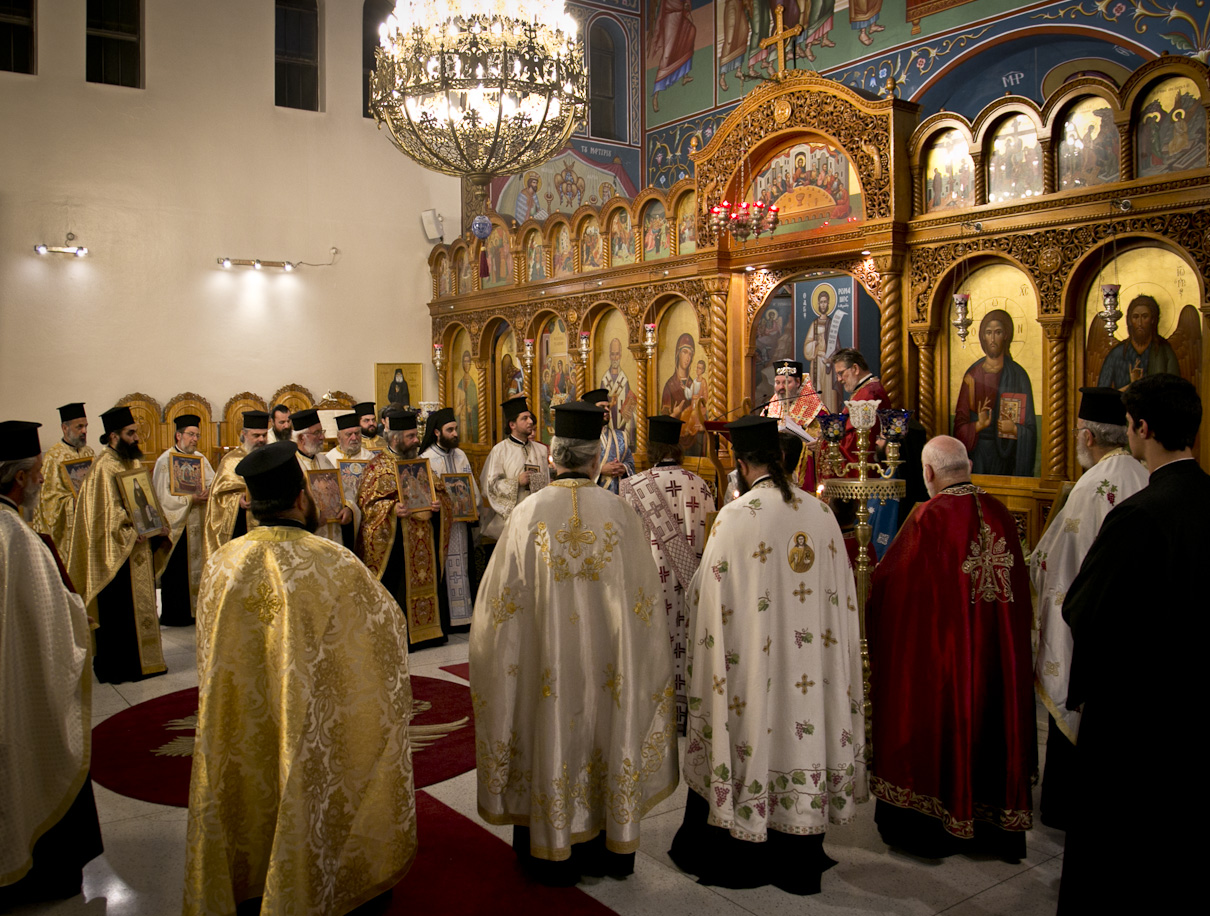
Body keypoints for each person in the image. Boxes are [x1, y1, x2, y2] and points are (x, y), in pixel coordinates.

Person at [184, 441, 416, 916]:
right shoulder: (336, 563)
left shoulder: (221, 564)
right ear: (303, 498)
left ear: (252, 502)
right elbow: (387, 636)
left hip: (244, 733)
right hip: (314, 729)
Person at [470, 401, 677, 886]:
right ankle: (610, 848)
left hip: (547, 670)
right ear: (591, 458)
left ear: (555, 456)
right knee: (608, 727)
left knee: (547, 728)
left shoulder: (527, 515)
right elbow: (644, 608)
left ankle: (548, 849)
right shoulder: (621, 515)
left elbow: (495, 616)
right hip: (609, 670)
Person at [670, 415, 867, 895]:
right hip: (810, 670)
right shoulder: (820, 515)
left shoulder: (736, 517)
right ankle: (801, 840)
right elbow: (842, 600)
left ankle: (744, 833)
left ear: (741, 464)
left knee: (752, 728)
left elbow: (706, 599)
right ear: (782, 460)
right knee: (801, 729)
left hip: (753, 668)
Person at [1058, 374, 1207, 914]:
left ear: (1141, 428)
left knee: (1121, 847)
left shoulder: (1140, 515)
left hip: (1137, 709)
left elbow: (1082, 607)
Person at [866, 435, 1035, 860]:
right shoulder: (1001, 514)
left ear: (928, 473)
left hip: (947, 658)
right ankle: (995, 826)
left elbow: (891, 586)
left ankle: (929, 822)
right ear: (969, 464)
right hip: (997, 655)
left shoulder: (928, 518)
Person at [1029, 387, 1147, 830]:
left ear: (1089, 437)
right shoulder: (1147, 473)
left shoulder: (1091, 484)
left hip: (1090, 627)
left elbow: (1059, 562)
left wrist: (1032, 568)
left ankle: (1066, 805)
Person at [0, 420, 104, 907]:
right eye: (39, 472)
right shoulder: (18, 539)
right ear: (21, 478)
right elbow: (57, 624)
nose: (43, 478)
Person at [618, 415, 716, 732]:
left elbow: (625, 543)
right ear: (678, 447)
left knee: (655, 642)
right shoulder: (700, 484)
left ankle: (656, 715)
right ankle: (690, 713)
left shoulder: (632, 488)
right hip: (694, 586)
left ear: (651, 448)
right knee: (687, 643)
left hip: (650, 582)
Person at [64, 406, 169, 684]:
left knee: (141, 609)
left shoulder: (132, 463)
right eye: (130, 433)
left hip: (140, 548)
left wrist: (158, 524)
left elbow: (147, 500)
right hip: (117, 554)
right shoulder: (103, 467)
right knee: (119, 612)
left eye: (135, 432)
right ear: (113, 436)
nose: (136, 438)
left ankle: (148, 663)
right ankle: (120, 667)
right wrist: (130, 527)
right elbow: (103, 514)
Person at [357, 408, 448, 649]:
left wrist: (440, 504)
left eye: (415, 435)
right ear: (395, 438)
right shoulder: (377, 467)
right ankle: (400, 634)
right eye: (410, 436)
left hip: (424, 538)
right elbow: (366, 505)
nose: (417, 440)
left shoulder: (421, 464)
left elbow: (440, 492)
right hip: (396, 544)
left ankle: (429, 631)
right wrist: (390, 510)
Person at [952, 310, 1038, 477]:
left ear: (1006, 335)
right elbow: (959, 428)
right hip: (978, 458)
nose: (992, 339)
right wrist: (978, 425)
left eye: (997, 332)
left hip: (1007, 458)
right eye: (988, 332)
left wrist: (1014, 430)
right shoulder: (972, 376)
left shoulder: (1018, 376)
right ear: (982, 336)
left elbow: (1031, 429)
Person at [152, 413, 215, 626]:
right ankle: (175, 614)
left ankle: (197, 612)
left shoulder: (201, 459)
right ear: (178, 435)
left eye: (197, 435)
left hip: (198, 522)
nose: (194, 439)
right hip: (178, 526)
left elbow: (213, 483)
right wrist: (191, 499)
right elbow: (162, 497)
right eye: (190, 434)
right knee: (177, 571)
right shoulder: (164, 461)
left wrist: (208, 493)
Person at [420, 406, 478, 629]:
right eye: (450, 429)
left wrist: (474, 507)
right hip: (441, 527)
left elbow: (470, 485)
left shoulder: (461, 455)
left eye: (456, 429)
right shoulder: (426, 458)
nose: (455, 433)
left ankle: (466, 617)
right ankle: (448, 619)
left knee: (463, 568)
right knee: (446, 570)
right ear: (436, 432)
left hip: (462, 525)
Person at [479, 396, 549, 543]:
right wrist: (516, 482)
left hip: (537, 519)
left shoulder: (541, 450)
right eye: (524, 418)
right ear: (512, 424)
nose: (530, 422)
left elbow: (546, 483)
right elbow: (489, 487)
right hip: (509, 523)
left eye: (530, 417)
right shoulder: (500, 451)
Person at [203, 410, 268, 562]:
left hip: (268, 526)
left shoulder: (270, 458)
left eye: (264, 435)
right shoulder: (230, 461)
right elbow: (217, 498)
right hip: (241, 527)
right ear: (244, 435)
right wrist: (238, 500)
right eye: (256, 435)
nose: (261, 439)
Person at [32, 402, 94, 553]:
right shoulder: (54, 457)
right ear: (65, 428)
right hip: (68, 528)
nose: (84, 431)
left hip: (90, 523)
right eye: (79, 427)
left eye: (86, 426)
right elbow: (48, 500)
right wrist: (72, 503)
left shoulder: (89, 453)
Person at [291, 408, 352, 545]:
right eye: (317, 433)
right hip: (307, 537)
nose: (322, 437)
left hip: (333, 536)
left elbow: (344, 490)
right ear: (301, 437)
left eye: (321, 431)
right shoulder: (291, 465)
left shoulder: (324, 461)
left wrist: (348, 508)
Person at [1096, 294, 1181, 390]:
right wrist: (1132, 385)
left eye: (1145, 317)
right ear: (1130, 320)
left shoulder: (1165, 352)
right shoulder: (1116, 354)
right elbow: (1102, 396)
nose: (1140, 323)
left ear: (1153, 320)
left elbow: (1175, 392)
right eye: (1135, 317)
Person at [325, 411, 373, 547]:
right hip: (341, 518)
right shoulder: (329, 459)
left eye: (357, 433)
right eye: (348, 434)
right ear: (339, 437)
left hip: (366, 517)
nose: (354, 438)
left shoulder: (371, 458)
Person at [584, 387, 633, 494]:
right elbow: (577, 468)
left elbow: (630, 462)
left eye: (608, 407)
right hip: (592, 496)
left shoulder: (621, 436)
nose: (607, 410)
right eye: (602, 407)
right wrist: (600, 470)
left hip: (618, 495)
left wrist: (623, 468)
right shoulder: (582, 437)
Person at [802, 288, 839, 412]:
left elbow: (837, 347)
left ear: (828, 304)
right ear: (818, 304)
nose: (823, 304)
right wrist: (815, 344)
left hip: (828, 365)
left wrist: (831, 358)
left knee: (829, 394)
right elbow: (807, 346)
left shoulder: (832, 323)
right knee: (817, 392)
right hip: (817, 363)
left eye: (825, 302)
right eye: (821, 302)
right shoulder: (815, 324)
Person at [761, 359, 823, 427]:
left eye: (786, 382)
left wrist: (795, 427)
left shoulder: (816, 409)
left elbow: (818, 435)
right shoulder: (769, 407)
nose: (781, 387)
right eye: (777, 382)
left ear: (797, 382)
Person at [601, 336, 636, 449]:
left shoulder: (624, 379)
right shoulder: (604, 380)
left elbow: (630, 402)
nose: (615, 358)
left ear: (620, 355)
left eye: (617, 354)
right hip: (609, 421)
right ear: (609, 356)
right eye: (612, 354)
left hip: (621, 422)